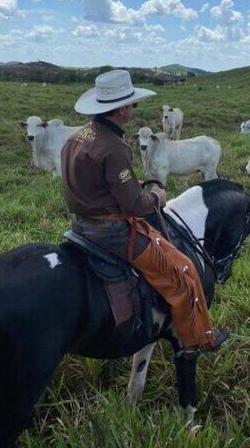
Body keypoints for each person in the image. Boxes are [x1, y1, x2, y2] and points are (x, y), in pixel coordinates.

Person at [61, 69, 228, 356]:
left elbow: (92, 182)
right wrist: (156, 197)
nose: (132, 110)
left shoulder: (79, 136)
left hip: (79, 226)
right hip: (111, 232)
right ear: (120, 109)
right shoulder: (114, 147)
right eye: (131, 104)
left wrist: (126, 187)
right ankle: (196, 339)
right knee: (183, 271)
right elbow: (133, 207)